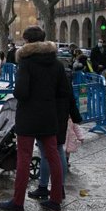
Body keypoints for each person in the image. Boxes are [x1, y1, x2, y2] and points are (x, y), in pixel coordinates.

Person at [0, 26, 71, 211]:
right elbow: (64, 93)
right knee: (53, 156)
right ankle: (55, 199)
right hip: (49, 116)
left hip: (28, 117)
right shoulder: (57, 64)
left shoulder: (26, 64)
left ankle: (18, 201)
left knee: (24, 158)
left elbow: (21, 92)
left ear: (28, 41)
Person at [28, 69, 81, 201]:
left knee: (45, 153)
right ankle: (59, 187)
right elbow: (71, 99)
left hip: (47, 119)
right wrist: (76, 116)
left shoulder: (45, 74)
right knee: (59, 150)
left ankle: (43, 186)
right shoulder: (64, 75)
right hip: (62, 117)